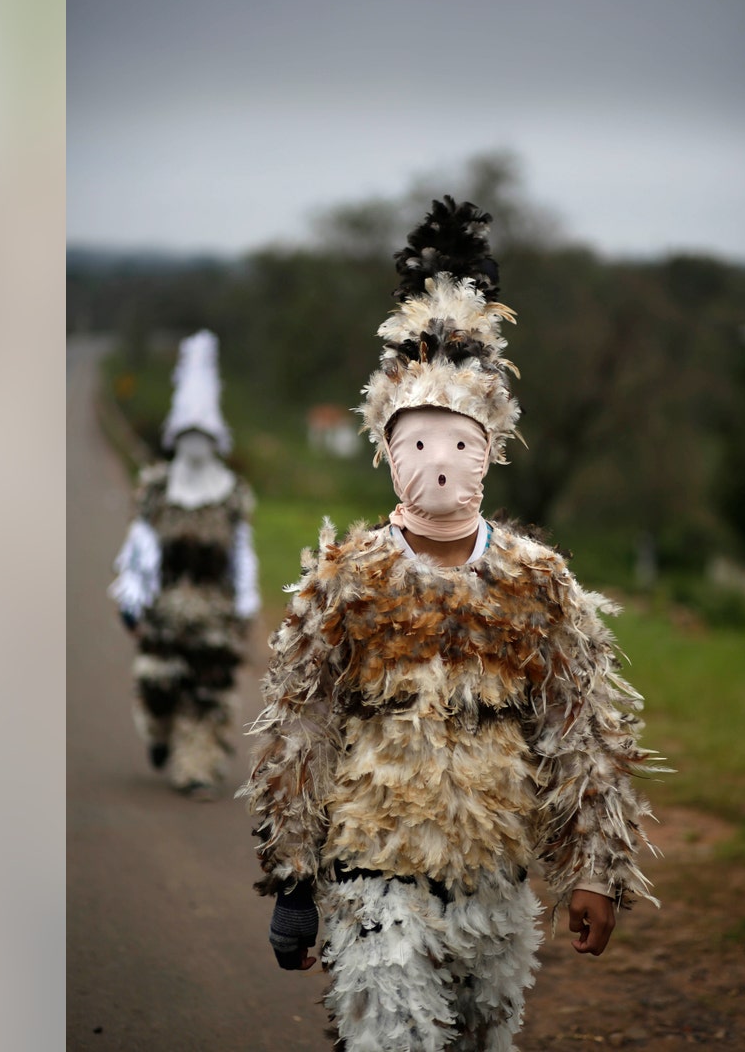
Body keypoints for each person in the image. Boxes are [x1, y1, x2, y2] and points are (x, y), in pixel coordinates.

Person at [239, 199, 661, 1050]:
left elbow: (582, 727)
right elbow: (300, 726)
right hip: (371, 876)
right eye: (419, 442)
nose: (440, 464)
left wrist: (596, 869)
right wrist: (291, 878)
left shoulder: (539, 583)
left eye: (460, 444)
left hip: (492, 887)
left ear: (490, 450)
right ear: (388, 449)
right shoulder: (345, 580)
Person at [112, 330, 260, 798]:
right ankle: (158, 732)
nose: (195, 445)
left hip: (213, 611)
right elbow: (139, 548)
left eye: (203, 437)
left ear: (213, 440)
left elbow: (242, 552)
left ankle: (196, 768)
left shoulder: (231, 494)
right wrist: (132, 597)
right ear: (178, 438)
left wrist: (246, 601)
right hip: (165, 608)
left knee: (207, 693)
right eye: (188, 437)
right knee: (158, 685)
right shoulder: (158, 490)